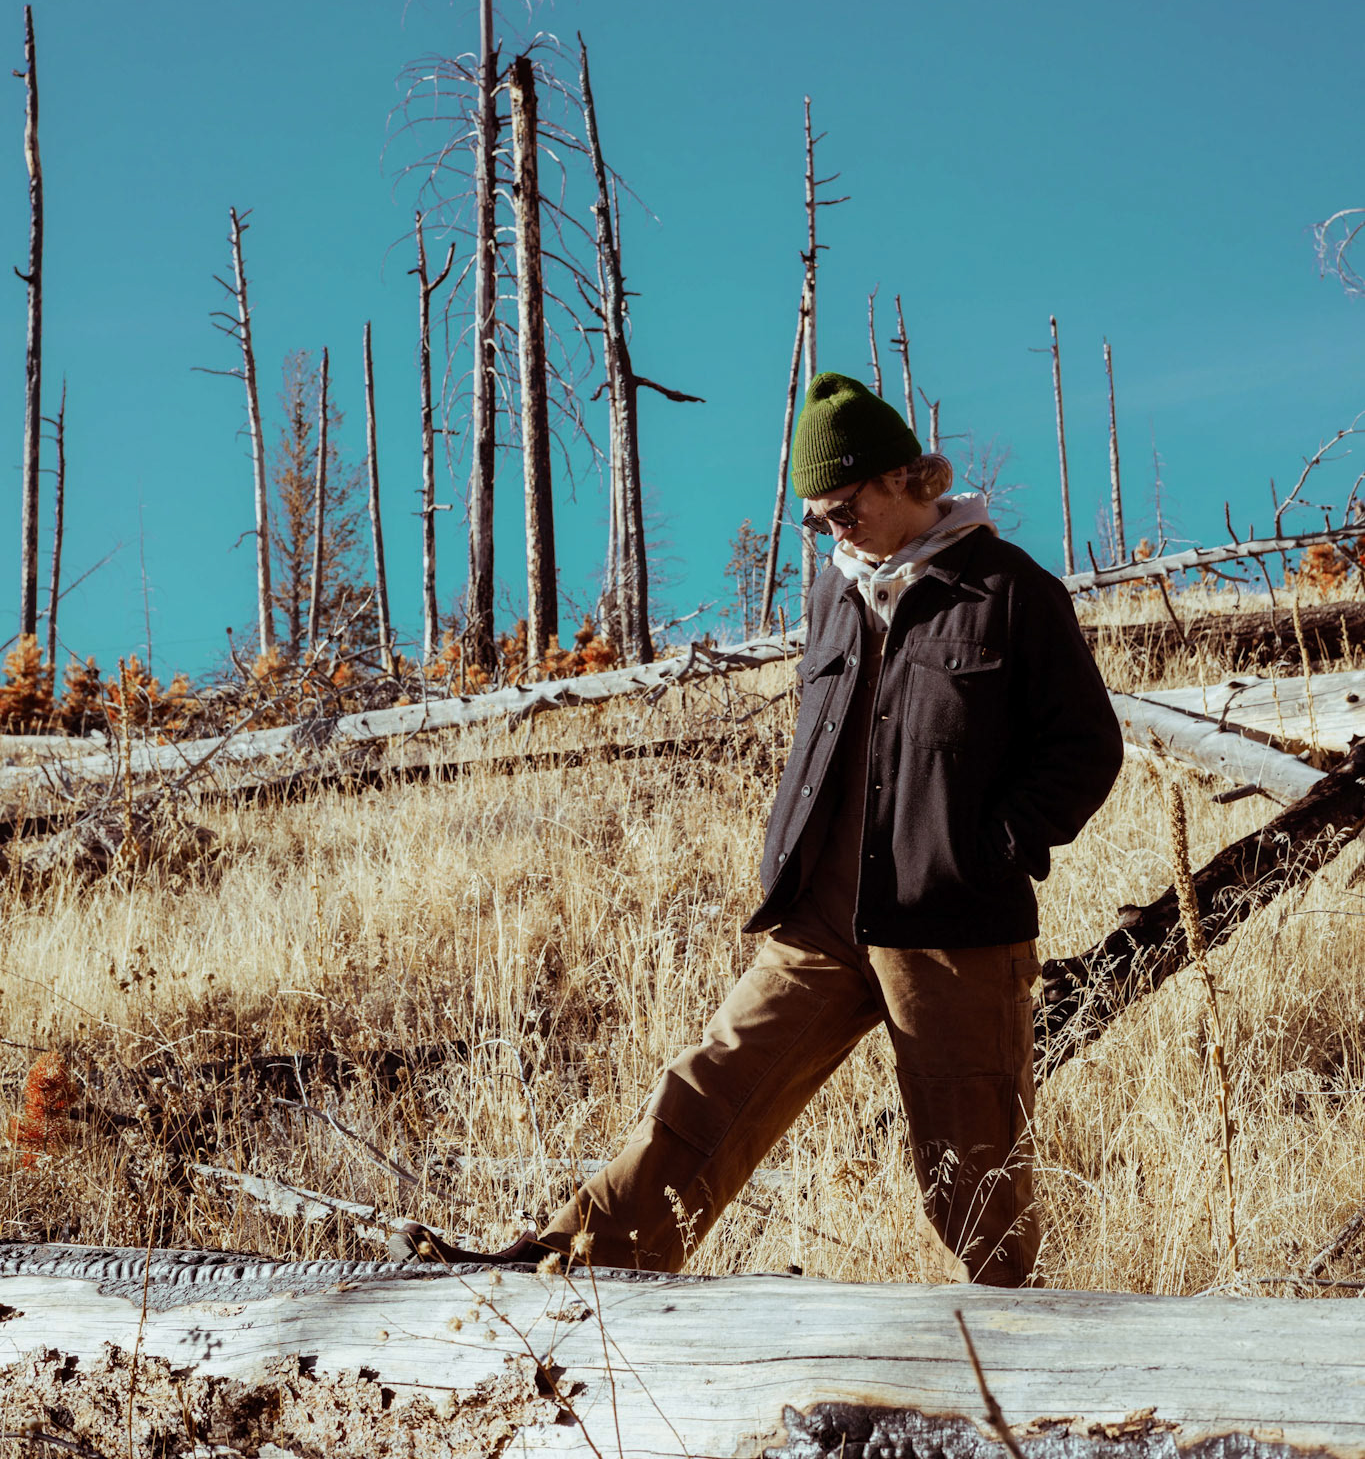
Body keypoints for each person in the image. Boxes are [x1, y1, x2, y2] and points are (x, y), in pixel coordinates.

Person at [396, 373, 1123, 1284]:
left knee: (972, 1162)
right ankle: (574, 1273)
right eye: (816, 520)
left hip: (952, 927)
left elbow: (1085, 748)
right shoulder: (834, 593)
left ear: (906, 478)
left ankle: (1015, 1335)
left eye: (844, 508)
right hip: (819, 918)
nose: (832, 531)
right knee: (706, 1093)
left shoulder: (1007, 590)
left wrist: (985, 852)